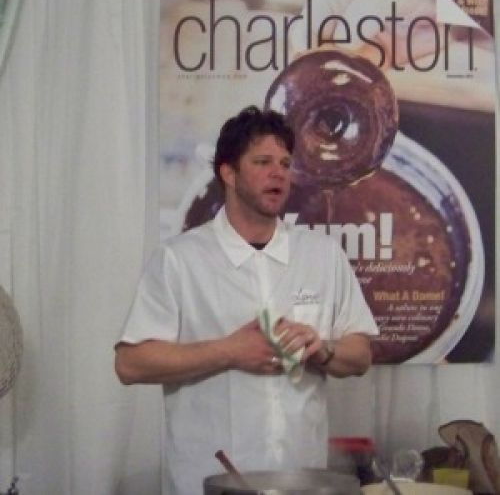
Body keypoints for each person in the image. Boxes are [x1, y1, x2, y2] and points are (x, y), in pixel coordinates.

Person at [114, 105, 379, 495]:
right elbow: (130, 363)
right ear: (228, 173)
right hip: (207, 482)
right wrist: (230, 351)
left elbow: (361, 355)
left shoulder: (322, 255)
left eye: (285, 164)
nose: (278, 174)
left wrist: (322, 349)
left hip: (301, 481)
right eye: (262, 162)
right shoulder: (180, 259)